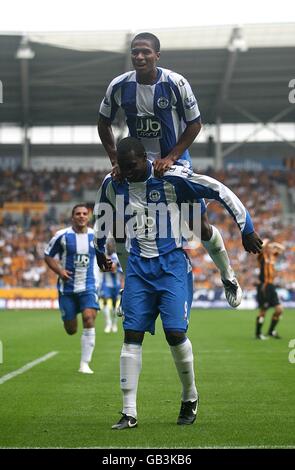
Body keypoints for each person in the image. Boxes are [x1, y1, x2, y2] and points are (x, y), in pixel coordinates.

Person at [93, 137, 262, 430]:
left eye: (131, 166)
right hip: (137, 268)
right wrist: (98, 249)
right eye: (122, 166)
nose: (127, 172)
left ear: (144, 158)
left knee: (174, 333)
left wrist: (246, 228)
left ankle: (189, 396)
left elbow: (219, 189)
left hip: (171, 264)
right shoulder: (114, 181)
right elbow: (101, 211)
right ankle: (128, 411)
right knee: (131, 335)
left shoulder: (172, 178)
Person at [98, 31, 243, 309]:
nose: (139, 56)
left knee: (198, 226)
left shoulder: (176, 83)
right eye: (135, 52)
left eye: (145, 52)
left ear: (157, 55)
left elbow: (195, 123)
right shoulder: (119, 86)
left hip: (174, 165)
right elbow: (103, 122)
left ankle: (228, 275)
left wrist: (172, 156)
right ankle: (129, 286)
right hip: (135, 166)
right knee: (119, 225)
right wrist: (115, 160)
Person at [44, 204, 101, 374]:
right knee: (71, 330)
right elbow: (48, 256)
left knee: (89, 318)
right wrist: (60, 271)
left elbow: (104, 254)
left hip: (89, 286)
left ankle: (85, 363)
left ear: (89, 217)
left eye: (85, 213)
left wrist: (109, 265)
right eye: (78, 214)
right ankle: (69, 317)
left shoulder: (96, 236)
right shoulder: (62, 236)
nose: (82, 216)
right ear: (72, 217)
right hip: (67, 288)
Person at [255, 239, 285, 340]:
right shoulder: (262, 256)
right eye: (269, 247)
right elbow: (261, 247)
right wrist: (266, 243)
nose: (271, 249)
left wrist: (275, 244)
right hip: (264, 286)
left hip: (271, 286)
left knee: (279, 309)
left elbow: (282, 249)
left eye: (272, 248)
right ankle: (258, 333)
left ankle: (271, 331)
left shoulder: (273, 256)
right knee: (263, 311)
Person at [100, 239, 123, 333]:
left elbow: (122, 270)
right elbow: (100, 269)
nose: (110, 247)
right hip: (106, 284)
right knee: (105, 301)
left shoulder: (117, 257)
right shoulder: (103, 256)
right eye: (108, 245)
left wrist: (115, 269)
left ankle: (114, 323)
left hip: (116, 284)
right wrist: (106, 268)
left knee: (114, 305)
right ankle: (108, 323)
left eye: (111, 245)